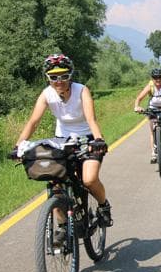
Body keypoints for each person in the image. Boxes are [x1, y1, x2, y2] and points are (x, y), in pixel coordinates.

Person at [16, 54, 113, 242]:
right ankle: (62, 225)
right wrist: (19, 144)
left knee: (89, 179)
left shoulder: (81, 90)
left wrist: (99, 140)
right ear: (47, 78)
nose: (59, 81)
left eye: (63, 76)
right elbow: (34, 121)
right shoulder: (47, 94)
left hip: (88, 138)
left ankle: (103, 206)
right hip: (62, 141)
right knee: (55, 185)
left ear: (70, 75)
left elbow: (91, 119)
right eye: (54, 77)